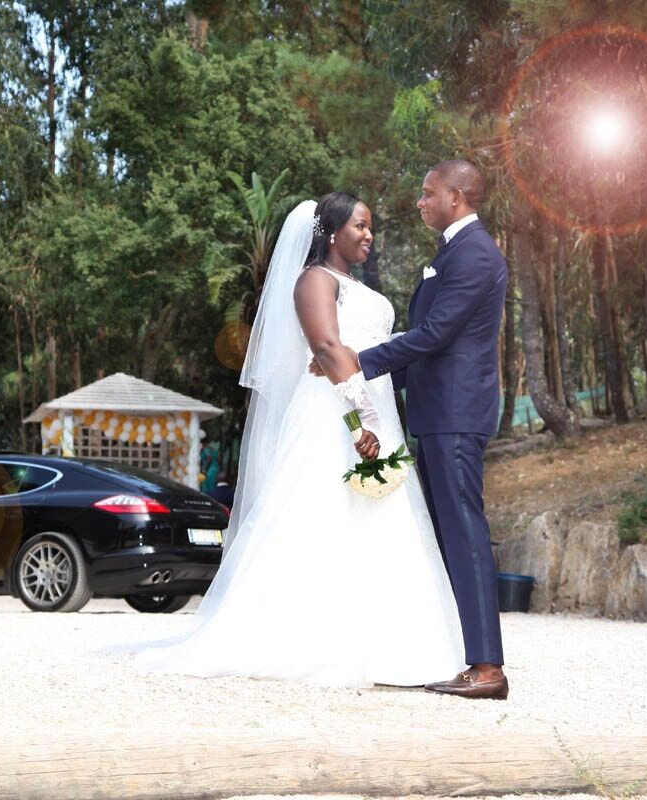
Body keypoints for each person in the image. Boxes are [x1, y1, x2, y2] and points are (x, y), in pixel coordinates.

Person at [107, 193, 465, 688]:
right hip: (336, 414)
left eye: (370, 227)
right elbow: (327, 347)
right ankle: (311, 640)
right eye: (360, 226)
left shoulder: (355, 285)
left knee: (379, 520)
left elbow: (369, 350)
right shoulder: (314, 280)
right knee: (322, 519)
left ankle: (388, 645)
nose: (369, 235)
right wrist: (361, 420)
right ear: (332, 232)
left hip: (375, 408)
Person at [323, 160, 509, 700]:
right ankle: (463, 656)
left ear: (456, 197)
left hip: (456, 413)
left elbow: (435, 334)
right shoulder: (452, 252)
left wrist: (360, 363)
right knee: (450, 535)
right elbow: (433, 343)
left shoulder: (475, 253)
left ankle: (488, 668)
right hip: (437, 412)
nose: (421, 202)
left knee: (465, 535)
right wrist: (378, 384)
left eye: (429, 193)